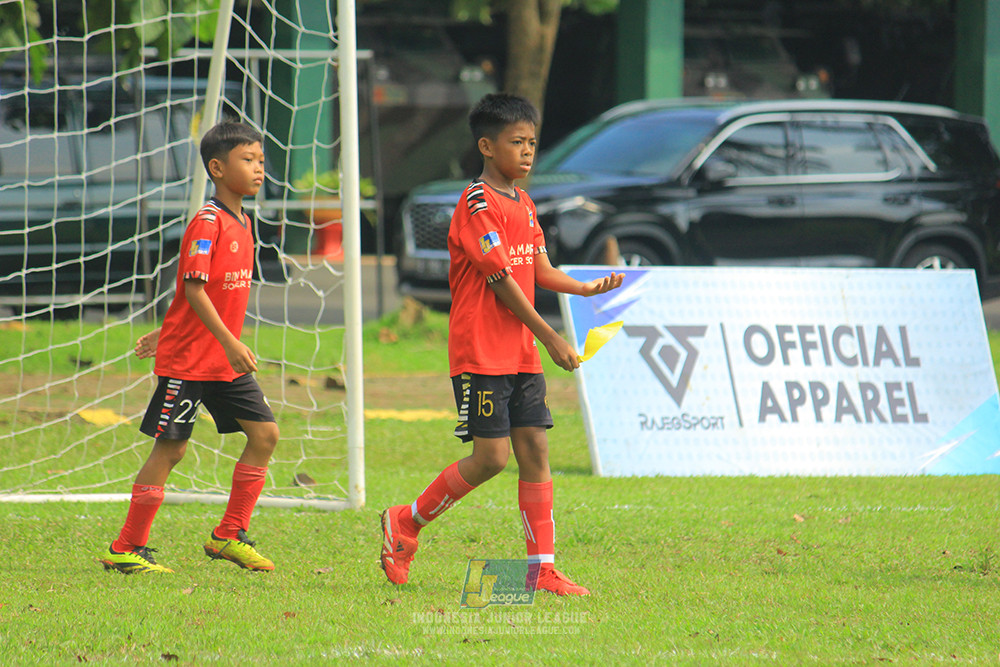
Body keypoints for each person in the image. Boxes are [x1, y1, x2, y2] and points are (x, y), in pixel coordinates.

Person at [379, 93, 623, 595]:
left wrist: (582, 288)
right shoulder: (476, 204)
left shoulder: (524, 202)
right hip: (481, 352)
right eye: (517, 142)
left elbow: (537, 269)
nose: (528, 152)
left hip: (520, 353)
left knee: (535, 449)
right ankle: (406, 522)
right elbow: (501, 282)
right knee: (491, 458)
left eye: (533, 142)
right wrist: (551, 335)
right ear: (487, 146)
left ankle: (542, 568)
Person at [99, 121, 278, 574]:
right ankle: (126, 547)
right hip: (192, 363)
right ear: (217, 168)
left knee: (265, 435)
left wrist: (166, 330)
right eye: (248, 160)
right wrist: (229, 342)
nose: (259, 169)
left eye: (260, 160)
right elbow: (194, 288)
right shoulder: (208, 222)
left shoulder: (244, 221)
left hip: (221, 359)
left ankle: (228, 535)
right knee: (171, 450)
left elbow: (202, 295)